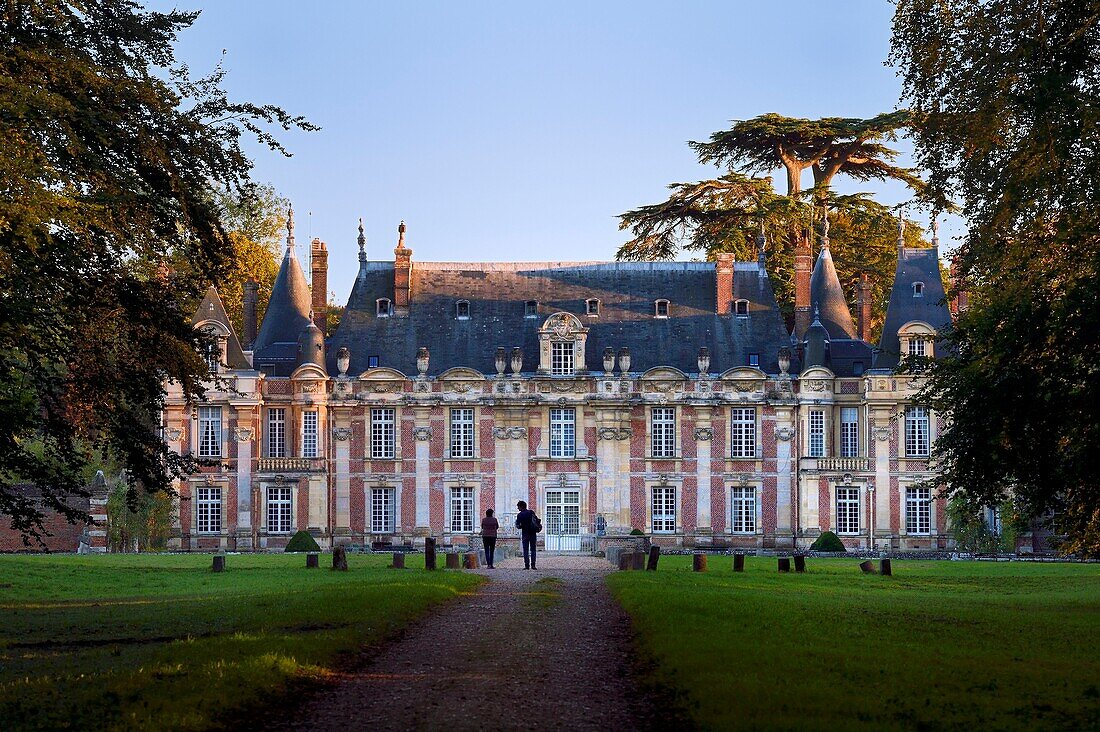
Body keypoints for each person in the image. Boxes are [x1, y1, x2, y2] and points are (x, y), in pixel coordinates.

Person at [515, 500, 537, 570]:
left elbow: (518, 526)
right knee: (533, 549)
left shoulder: (520, 515)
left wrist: (521, 525)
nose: (518, 508)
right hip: (533, 533)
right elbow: (536, 521)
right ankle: (533, 565)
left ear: (521, 507)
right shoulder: (531, 512)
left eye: (518, 507)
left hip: (525, 533)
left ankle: (527, 565)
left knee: (525, 550)